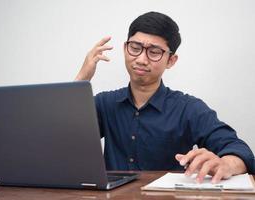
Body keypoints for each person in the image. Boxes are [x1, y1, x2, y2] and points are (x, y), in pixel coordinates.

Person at [75, 11, 255, 183]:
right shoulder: (104, 103)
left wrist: (226, 164)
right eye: (135, 48)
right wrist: (81, 80)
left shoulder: (188, 108)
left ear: (171, 60)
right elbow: (63, 140)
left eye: (154, 52)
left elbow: (239, 150)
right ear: (125, 48)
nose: (141, 59)